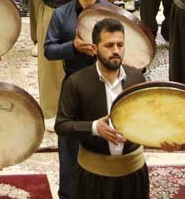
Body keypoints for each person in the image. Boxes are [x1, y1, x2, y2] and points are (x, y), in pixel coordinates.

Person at [54, 16, 150, 198]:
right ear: (95, 48)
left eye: (120, 45)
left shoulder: (137, 78)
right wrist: (94, 127)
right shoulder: (76, 82)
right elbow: (62, 125)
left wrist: (165, 138)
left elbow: (146, 120)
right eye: (109, 45)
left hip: (133, 175)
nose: (116, 51)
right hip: (93, 177)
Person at [44, 0, 116, 197]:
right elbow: (49, 50)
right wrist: (73, 47)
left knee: (107, 143)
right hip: (73, 84)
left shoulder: (111, 13)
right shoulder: (62, 14)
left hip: (105, 86)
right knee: (70, 147)